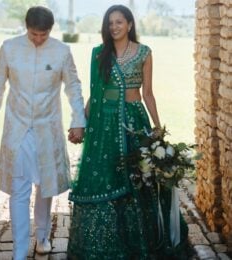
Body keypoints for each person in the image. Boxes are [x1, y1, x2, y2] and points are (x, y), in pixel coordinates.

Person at [67, 5, 188, 259]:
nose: (114, 27)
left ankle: (140, 242)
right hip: (105, 125)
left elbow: (148, 94)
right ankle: (106, 244)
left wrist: (157, 128)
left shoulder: (144, 53)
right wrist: (81, 122)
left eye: (119, 22)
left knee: (139, 178)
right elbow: (96, 94)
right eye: (110, 23)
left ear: (130, 25)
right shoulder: (100, 53)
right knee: (107, 176)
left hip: (133, 121)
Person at [0, 6, 85, 260]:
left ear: (50, 30)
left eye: (43, 34)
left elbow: (73, 87)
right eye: (33, 33)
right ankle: (19, 250)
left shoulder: (62, 51)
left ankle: (41, 236)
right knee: (19, 190)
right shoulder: (9, 47)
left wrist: (78, 120)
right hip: (17, 129)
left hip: (47, 129)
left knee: (45, 186)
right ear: (26, 27)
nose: (38, 39)